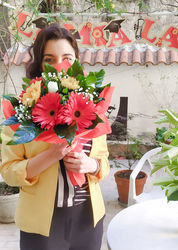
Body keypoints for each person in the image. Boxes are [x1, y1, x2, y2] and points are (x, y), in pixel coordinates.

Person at [0, 24, 110, 250]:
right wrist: (50, 155)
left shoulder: (92, 108)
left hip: (88, 219)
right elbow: (9, 172)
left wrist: (90, 164)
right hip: (40, 224)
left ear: (77, 61)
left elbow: (104, 164)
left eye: (67, 58)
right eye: (49, 59)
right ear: (39, 63)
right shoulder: (23, 109)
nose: (59, 66)